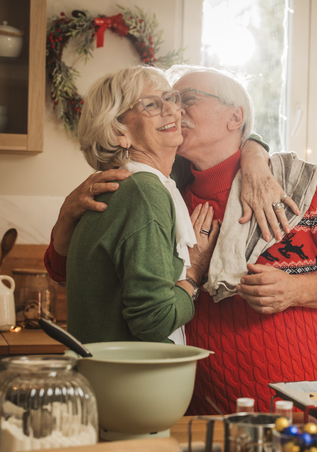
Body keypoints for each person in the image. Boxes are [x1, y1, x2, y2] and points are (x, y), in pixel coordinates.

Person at [46, 64, 317, 414]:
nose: (175, 110)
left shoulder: (293, 186)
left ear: (234, 117)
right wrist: (67, 215)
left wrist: (296, 291)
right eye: (165, 101)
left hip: (297, 397)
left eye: (185, 99)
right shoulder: (163, 190)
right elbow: (68, 270)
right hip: (193, 401)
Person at [64, 65, 219, 344]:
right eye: (150, 104)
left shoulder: (142, 183)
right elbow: (153, 321)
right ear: (118, 132)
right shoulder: (144, 191)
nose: (173, 110)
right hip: (131, 382)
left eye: (170, 98)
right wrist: (194, 272)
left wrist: (255, 150)